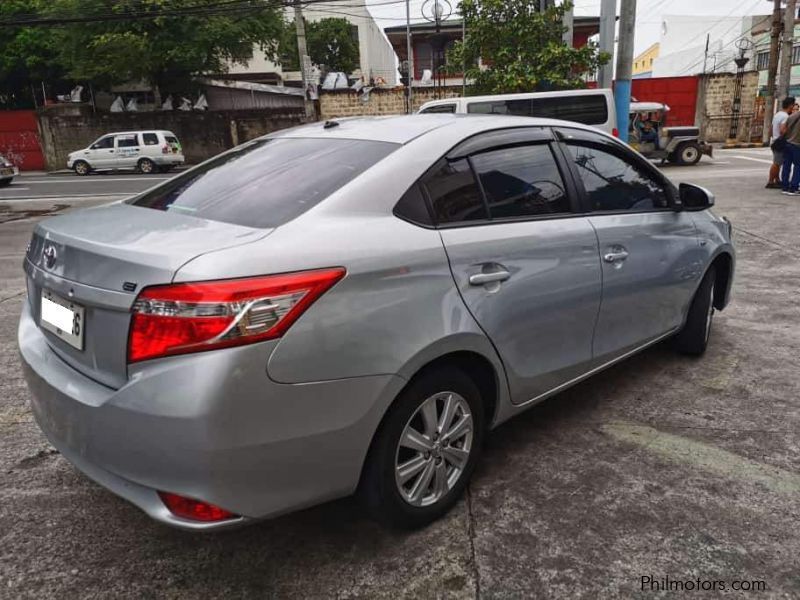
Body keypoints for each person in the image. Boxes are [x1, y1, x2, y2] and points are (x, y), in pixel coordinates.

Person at [767, 97, 795, 188]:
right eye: (793, 105)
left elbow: (771, 129)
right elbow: (783, 130)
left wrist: (773, 138)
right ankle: (770, 182)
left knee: (778, 162)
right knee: (777, 163)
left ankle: (777, 179)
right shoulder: (785, 116)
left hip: (775, 141)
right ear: (790, 105)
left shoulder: (778, 114)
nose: (794, 107)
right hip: (780, 142)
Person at [780, 102, 800, 194]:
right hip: (797, 145)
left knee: (786, 166)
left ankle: (785, 187)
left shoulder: (792, 116)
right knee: (798, 166)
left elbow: (782, 130)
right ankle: (794, 188)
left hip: (787, 143)